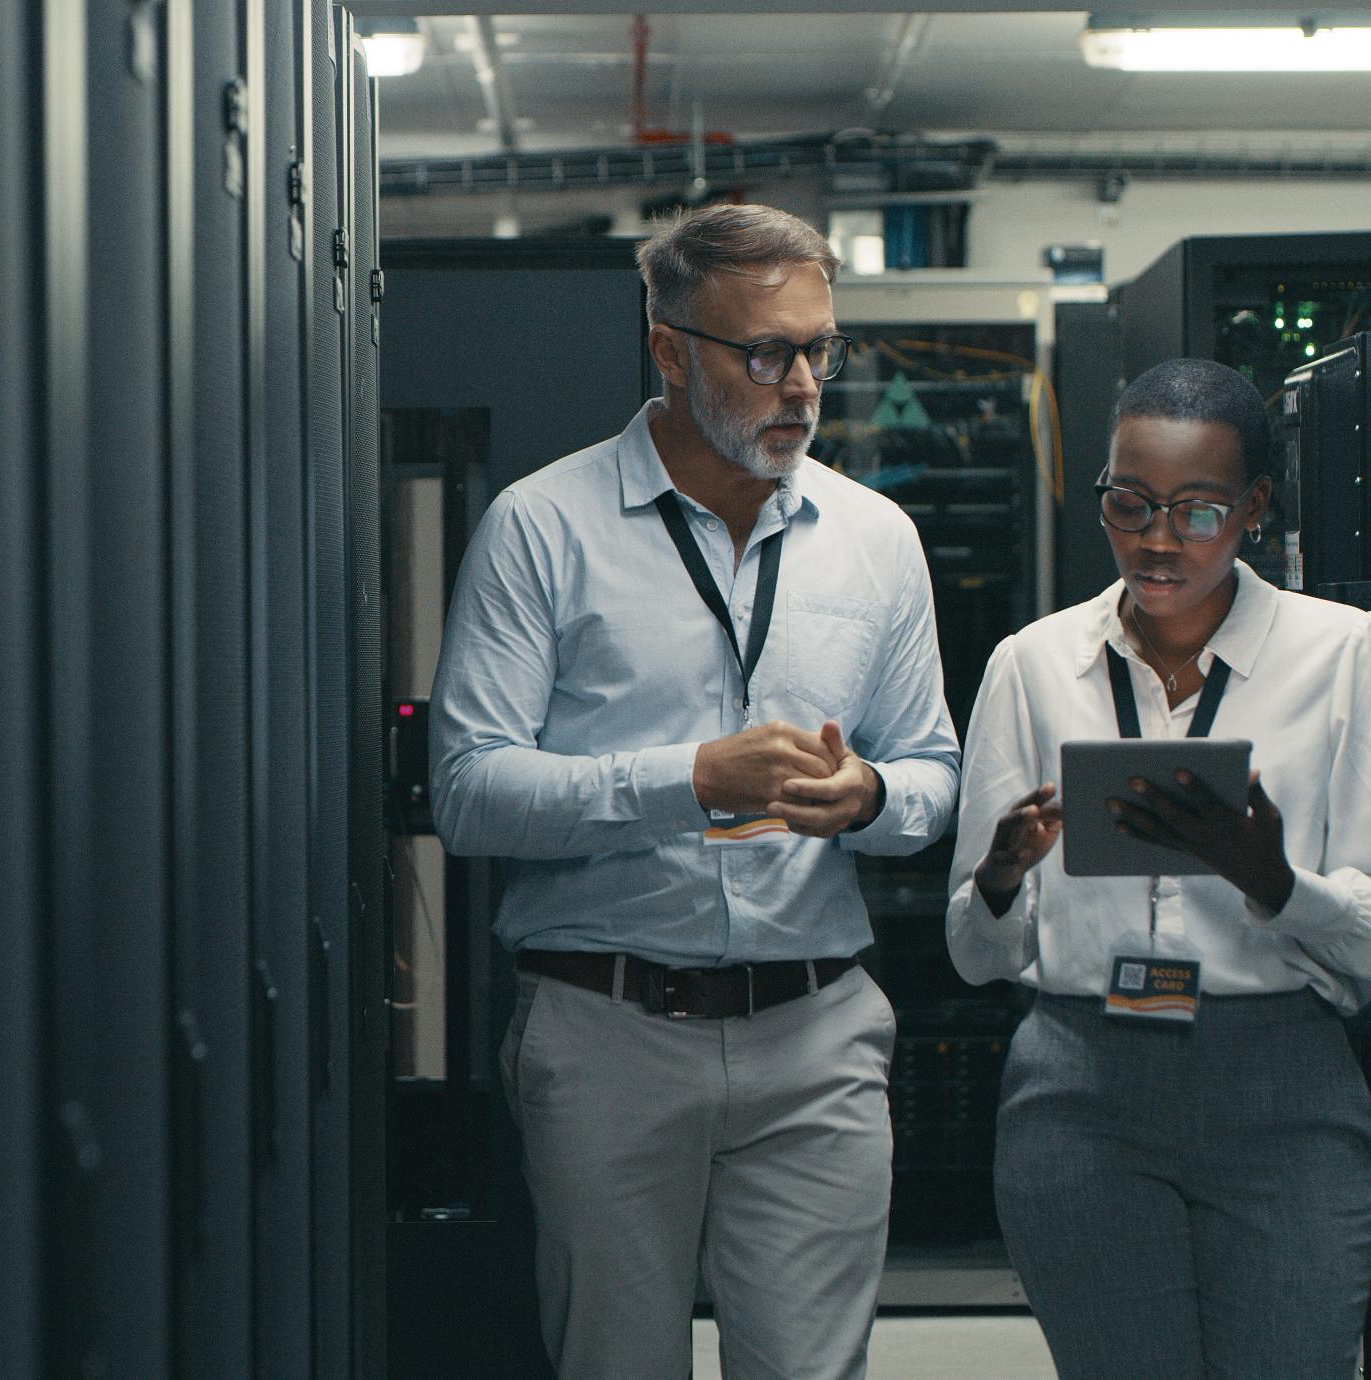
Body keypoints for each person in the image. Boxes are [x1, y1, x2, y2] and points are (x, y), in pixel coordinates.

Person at [430, 203, 960, 1380]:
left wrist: (868, 797)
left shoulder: (875, 539)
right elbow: (467, 790)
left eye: (820, 349)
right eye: (763, 352)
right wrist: (687, 782)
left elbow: (933, 773)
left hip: (815, 1032)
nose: (803, 385)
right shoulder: (543, 527)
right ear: (668, 349)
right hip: (607, 1030)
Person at [944, 358, 1371, 1378]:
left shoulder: (1344, 654)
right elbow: (972, 953)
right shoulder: (1033, 664)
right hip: (1079, 1086)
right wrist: (998, 878)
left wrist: (1269, 878)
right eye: (1128, 503)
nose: (1157, 538)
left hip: (1278, 1087)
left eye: (1197, 509)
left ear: (1254, 507)